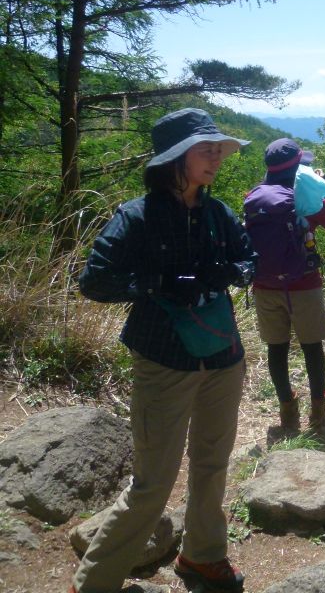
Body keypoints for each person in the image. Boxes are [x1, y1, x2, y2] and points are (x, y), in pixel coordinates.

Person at [72, 108, 254, 593]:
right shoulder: (137, 216)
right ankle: (93, 583)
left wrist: (231, 273)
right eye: (205, 148)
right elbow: (95, 281)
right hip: (162, 358)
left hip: (222, 356)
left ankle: (202, 556)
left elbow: (248, 257)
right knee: (152, 483)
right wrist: (155, 284)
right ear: (175, 158)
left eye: (219, 148)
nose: (217, 155)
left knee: (213, 465)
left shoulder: (218, 213)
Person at [247, 138, 325, 436]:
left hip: (264, 285)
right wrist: (323, 187)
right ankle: (318, 413)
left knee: (277, 349)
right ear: (298, 165)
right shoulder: (303, 198)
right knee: (312, 348)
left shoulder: (254, 196)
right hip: (303, 283)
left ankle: (288, 412)